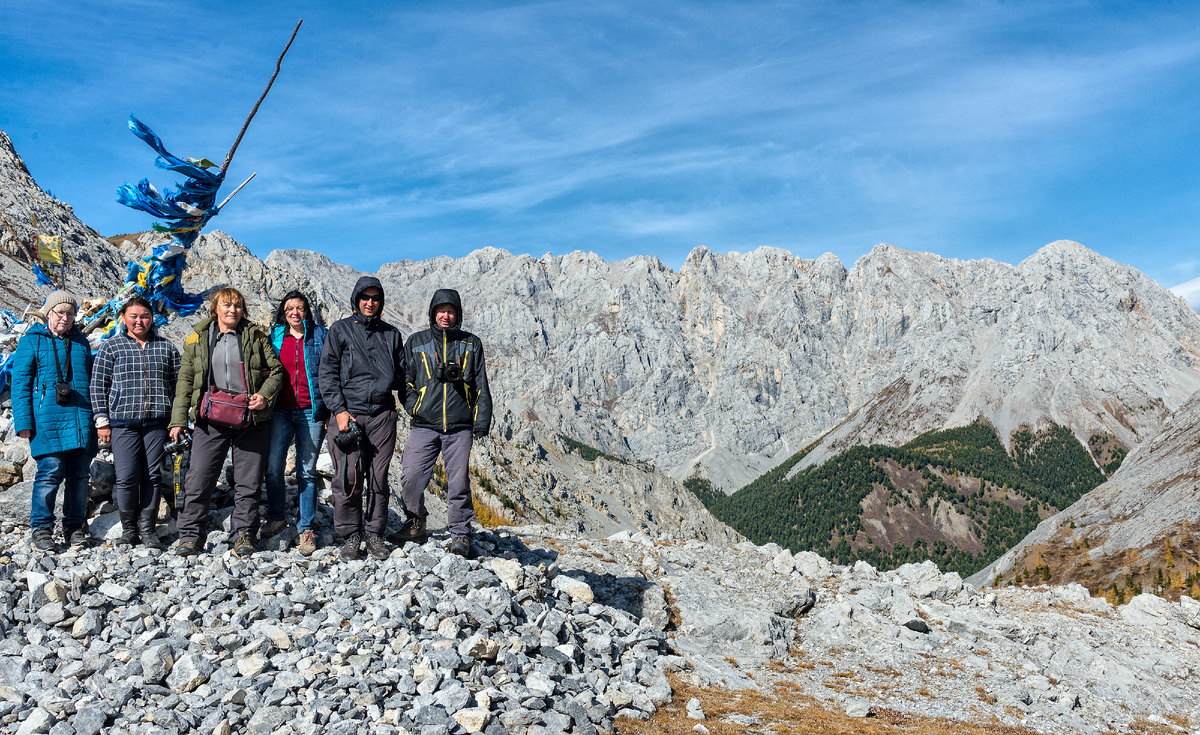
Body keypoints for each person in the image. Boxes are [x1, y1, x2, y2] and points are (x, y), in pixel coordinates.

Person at [169, 288, 283, 557]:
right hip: (210, 419)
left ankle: (243, 535)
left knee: (248, 482)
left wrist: (265, 396)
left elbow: (277, 371)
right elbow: (185, 381)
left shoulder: (255, 335)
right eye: (226, 305)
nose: (232, 310)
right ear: (215, 309)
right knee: (199, 479)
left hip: (251, 420)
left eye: (237, 305)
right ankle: (190, 537)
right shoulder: (197, 338)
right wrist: (178, 420)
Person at [397, 289, 492, 558]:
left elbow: (480, 384)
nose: (446, 316)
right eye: (441, 310)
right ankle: (416, 521)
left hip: (460, 425)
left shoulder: (471, 344)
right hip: (424, 424)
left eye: (451, 311)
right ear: (433, 313)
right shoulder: (416, 342)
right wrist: (414, 405)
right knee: (411, 476)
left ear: (457, 314)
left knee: (458, 480)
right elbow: (405, 381)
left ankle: (460, 533)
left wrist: (481, 420)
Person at [318, 276, 405, 560]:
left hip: (382, 415)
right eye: (365, 298)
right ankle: (350, 535)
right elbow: (327, 372)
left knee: (379, 477)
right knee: (348, 477)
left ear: (381, 302)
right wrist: (339, 410)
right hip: (348, 416)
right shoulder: (340, 330)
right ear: (356, 300)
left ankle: (375, 535)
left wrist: (418, 407)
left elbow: (403, 378)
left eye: (375, 298)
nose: (370, 303)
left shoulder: (391, 334)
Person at [90, 296, 181, 549]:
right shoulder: (111, 347)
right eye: (134, 316)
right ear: (124, 319)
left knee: (152, 475)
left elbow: (179, 387)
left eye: (144, 316)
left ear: (152, 318)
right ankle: (129, 530)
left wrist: (178, 420)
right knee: (127, 476)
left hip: (157, 423)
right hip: (122, 423)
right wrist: (102, 421)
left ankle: (148, 530)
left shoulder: (167, 348)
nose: (139, 321)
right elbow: (98, 386)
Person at [11, 291, 97, 551]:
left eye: (70, 313)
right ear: (49, 313)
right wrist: (23, 422)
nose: (65, 317)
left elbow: (92, 382)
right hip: (46, 419)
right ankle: (42, 528)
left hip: (81, 418)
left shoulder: (81, 342)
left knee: (80, 475)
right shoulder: (31, 341)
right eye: (60, 312)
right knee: (49, 472)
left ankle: (74, 527)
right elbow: (20, 384)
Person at [263, 291, 328, 555]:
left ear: (307, 311)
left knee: (307, 471)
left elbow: (329, 370)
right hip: (280, 410)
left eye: (300, 308)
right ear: (283, 312)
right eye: (290, 308)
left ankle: (306, 528)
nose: (295, 313)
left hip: (311, 411)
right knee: (273, 466)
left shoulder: (321, 335)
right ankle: (277, 515)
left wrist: (330, 410)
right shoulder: (275, 337)